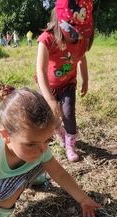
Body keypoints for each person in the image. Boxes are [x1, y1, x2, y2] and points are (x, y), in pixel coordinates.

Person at [0, 84, 101, 217]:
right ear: (6, 136)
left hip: (23, 168)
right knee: (6, 191)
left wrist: (83, 199)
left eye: (47, 140)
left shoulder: (39, 150)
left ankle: (31, 178)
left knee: (45, 163)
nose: (41, 149)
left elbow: (60, 174)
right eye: (31, 144)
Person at [36, 0, 94, 162]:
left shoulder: (81, 40)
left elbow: (82, 59)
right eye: (73, 30)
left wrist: (85, 80)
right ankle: (61, 134)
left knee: (68, 114)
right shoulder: (47, 39)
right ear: (59, 21)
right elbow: (40, 70)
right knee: (51, 117)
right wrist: (49, 100)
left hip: (68, 84)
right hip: (49, 86)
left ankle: (70, 145)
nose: (77, 35)